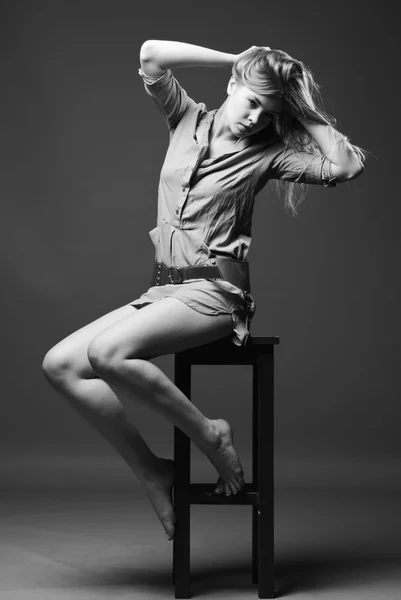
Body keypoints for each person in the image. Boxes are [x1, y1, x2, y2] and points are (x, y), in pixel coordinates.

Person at [42, 40, 365, 541]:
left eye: (269, 111)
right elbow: (150, 53)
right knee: (60, 365)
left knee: (107, 353)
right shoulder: (185, 118)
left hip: (216, 295)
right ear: (232, 85)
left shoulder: (269, 154)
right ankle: (154, 471)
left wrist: (300, 108)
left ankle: (210, 433)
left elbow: (345, 167)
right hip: (162, 293)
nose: (256, 118)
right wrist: (236, 58)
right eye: (251, 101)